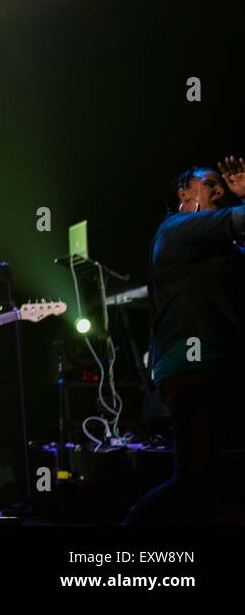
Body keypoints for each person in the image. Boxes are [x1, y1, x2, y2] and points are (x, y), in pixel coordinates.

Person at [125, 160, 245, 524]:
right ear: (184, 194)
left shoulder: (223, 248)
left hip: (219, 365)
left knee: (211, 480)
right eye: (208, 183)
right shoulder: (176, 228)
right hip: (192, 367)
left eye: (220, 186)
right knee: (193, 479)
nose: (218, 189)